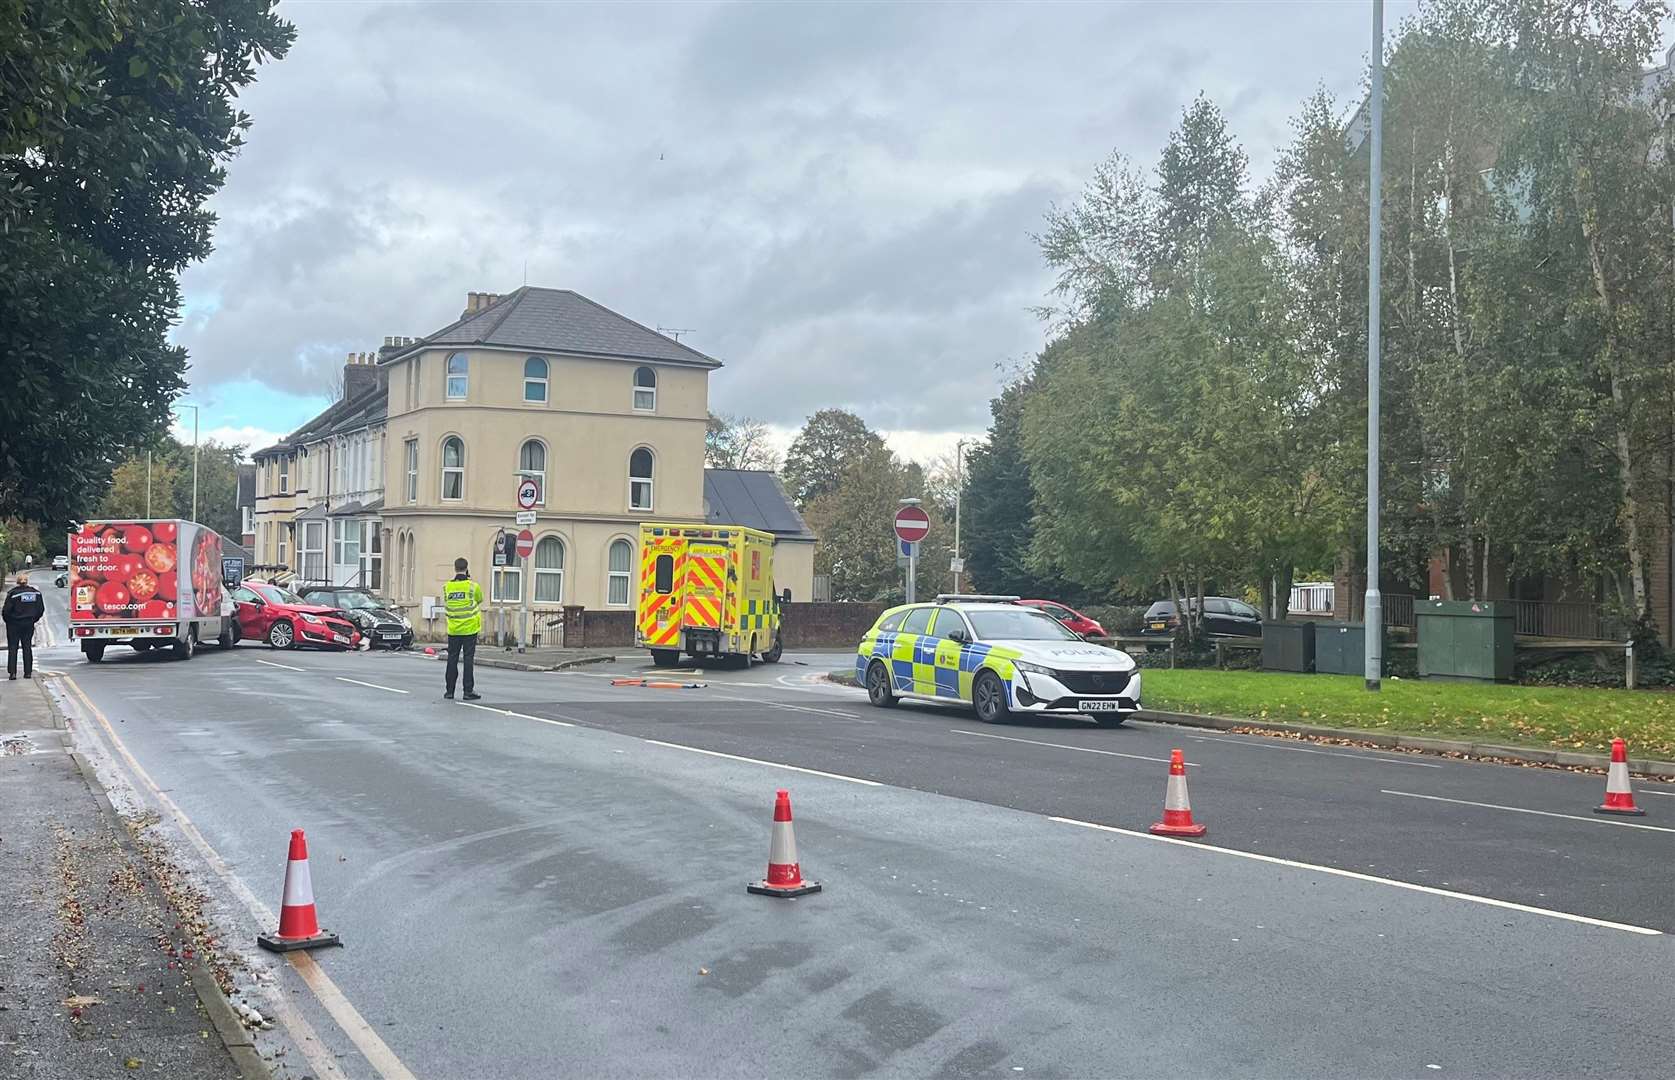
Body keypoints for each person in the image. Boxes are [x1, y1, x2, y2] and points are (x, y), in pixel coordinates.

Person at [442, 557, 484, 701]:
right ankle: (467, 691)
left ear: (455, 568)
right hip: (470, 629)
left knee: (452, 659)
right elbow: (479, 599)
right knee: (468, 659)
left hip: (453, 629)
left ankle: (449, 691)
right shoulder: (473, 586)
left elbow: (447, 602)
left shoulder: (447, 587)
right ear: (466, 568)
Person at [4, 572, 46, 681]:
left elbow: (6, 611)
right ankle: (28, 672)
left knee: (13, 648)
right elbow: (40, 610)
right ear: (27, 581)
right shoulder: (36, 594)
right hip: (28, 624)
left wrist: (9, 621)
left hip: (14, 625)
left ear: (17, 582)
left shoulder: (12, 594)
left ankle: (12, 673)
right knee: (27, 647)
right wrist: (33, 619)